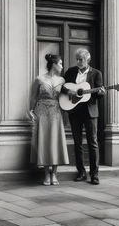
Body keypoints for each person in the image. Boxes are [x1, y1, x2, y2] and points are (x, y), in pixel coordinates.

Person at [63, 48, 105, 185]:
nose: (79, 62)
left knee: (93, 142)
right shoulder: (70, 72)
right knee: (78, 143)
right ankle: (81, 172)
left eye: (81, 59)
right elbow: (61, 86)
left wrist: (101, 92)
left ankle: (94, 174)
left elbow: (99, 92)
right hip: (74, 111)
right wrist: (69, 90)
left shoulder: (96, 73)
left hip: (90, 112)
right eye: (77, 59)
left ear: (88, 60)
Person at [29, 53, 69, 186]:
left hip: (56, 113)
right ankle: (46, 174)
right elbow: (33, 97)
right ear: (54, 65)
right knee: (45, 143)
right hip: (42, 112)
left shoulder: (62, 81)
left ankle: (55, 174)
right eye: (60, 64)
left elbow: (68, 97)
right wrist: (30, 111)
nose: (62, 66)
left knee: (56, 142)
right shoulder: (39, 79)